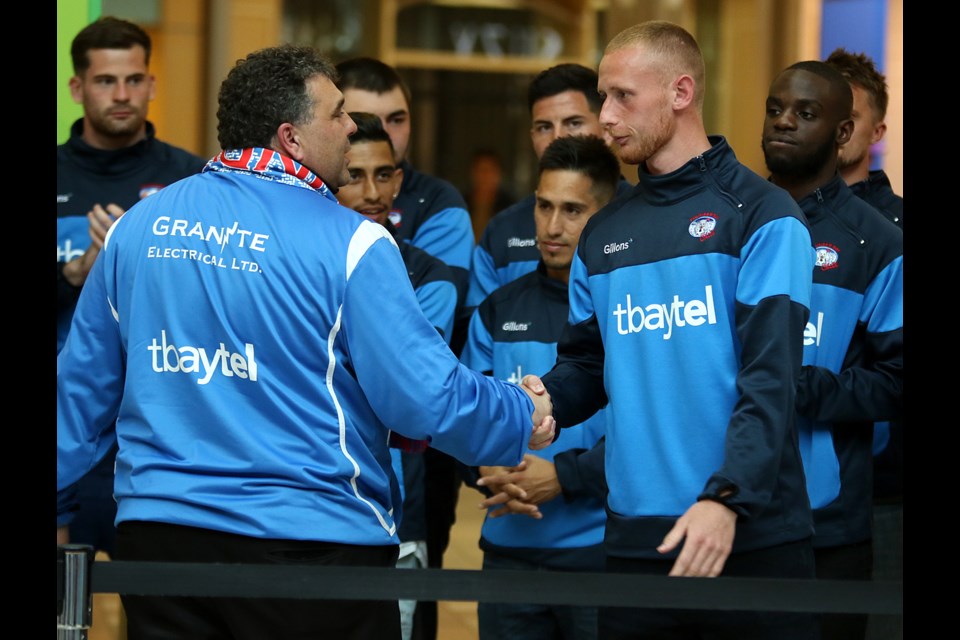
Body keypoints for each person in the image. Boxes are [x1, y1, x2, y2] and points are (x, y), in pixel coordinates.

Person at [57, 44, 555, 640]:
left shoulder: (139, 227)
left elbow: (77, 397)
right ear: (291, 137)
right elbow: (421, 397)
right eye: (338, 113)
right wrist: (521, 412)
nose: (354, 128)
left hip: (161, 545)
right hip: (310, 552)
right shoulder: (354, 243)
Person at [527, 21, 818, 639]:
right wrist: (546, 397)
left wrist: (727, 500)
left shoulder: (764, 217)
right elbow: (586, 366)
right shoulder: (602, 237)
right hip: (636, 545)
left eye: (622, 96)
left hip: (748, 537)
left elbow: (771, 381)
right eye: (603, 96)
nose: (604, 116)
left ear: (681, 93)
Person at [335, 57, 478, 639]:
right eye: (354, 175)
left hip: (398, 495)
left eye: (383, 175)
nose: (371, 192)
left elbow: (405, 384)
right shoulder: (296, 260)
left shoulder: (433, 277)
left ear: (399, 180)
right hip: (309, 494)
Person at [762, 60, 903, 640]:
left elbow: (896, 381)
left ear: (847, 133)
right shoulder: (727, 221)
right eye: (774, 110)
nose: (784, 123)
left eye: (805, 113)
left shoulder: (878, 243)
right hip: (719, 514)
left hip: (831, 524)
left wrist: (804, 386)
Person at [56, 15, 206, 554]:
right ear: (77, 88)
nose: (122, 94)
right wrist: (74, 276)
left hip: (161, 442)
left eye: (134, 79)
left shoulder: (192, 183)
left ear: (152, 83)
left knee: (160, 615)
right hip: (62, 439)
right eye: (104, 81)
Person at [461, 134, 619, 640]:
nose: (552, 227)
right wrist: (484, 464)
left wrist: (565, 477)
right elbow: (464, 416)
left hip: (599, 556)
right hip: (508, 554)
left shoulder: (623, 309)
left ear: (608, 214)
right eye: (544, 206)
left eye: (573, 210)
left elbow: (655, 433)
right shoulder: (498, 308)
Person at [824, 49, 903, 640]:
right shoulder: (770, 218)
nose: (841, 125)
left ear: (877, 130)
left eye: (855, 114)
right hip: (781, 489)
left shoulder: (897, 232)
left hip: (886, 493)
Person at [466, 63, 632, 311]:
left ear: (607, 129)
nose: (558, 138)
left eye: (573, 123)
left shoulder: (644, 218)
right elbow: (479, 330)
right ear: (533, 137)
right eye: (545, 127)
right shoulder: (503, 232)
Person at [825, 48, 902, 230]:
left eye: (849, 118)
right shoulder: (779, 207)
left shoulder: (895, 224)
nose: (838, 128)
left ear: (877, 133)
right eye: (825, 113)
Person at [461, 148, 515, 242]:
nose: (485, 176)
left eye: (489, 171)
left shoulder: (510, 207)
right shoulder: (460, 204)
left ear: (498, 174)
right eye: (481, 170)